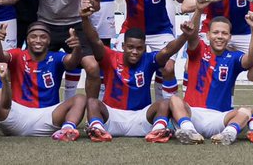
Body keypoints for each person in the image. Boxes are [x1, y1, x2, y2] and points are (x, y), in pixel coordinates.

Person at [79, 8, 189, 142]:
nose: (135, 52)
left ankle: (157, 131)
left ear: (145, 48)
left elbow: (167, 50)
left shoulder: (149, 60)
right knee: (92, 102)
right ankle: (98, 130)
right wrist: (85, 19)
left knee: (164, 103)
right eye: (130, 47)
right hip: (112, 117)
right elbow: (95, 40)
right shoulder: (110, 57)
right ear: (123, 46)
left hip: (140, 119)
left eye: (139, 48)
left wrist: (185, 36)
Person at [94, 0, 186, 97]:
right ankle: (108, 106)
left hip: (160, 31)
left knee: (168, 68)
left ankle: (165, 111)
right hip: (131, 31)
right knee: (114, 66)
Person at [168, 10, 253, 145]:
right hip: (193, 115)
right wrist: (199, 10)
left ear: (230, 37)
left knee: (246, 110)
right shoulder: (198, 49)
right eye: (215, 32)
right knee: (174, 99)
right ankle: (189, 131)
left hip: (219, 118)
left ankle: (229, 133)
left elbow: (252, 59)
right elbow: (191, 34)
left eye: (224, 33)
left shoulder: (234, 57)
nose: (220, 36)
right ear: (207, 35)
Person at [0, 22, 86, 140]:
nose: (38, 40)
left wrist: (77, 48)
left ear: (49, 41)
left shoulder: (56, 57)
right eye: (33, 36)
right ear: (27, 40)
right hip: (17, 115)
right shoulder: (18, 54)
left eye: (43, 37)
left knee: (80, 98)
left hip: (49, 117)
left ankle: (67, 130)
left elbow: (72, 63)